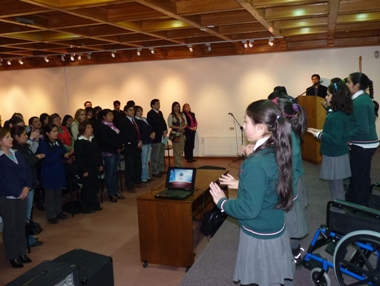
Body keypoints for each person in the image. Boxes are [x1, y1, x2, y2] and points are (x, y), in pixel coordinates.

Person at [209, 100, 295, 286]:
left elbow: (249, 209)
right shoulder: (278, 148)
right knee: (274, 276)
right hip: (275, 223)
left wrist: (222, 202)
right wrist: (242, 184)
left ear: (260, 127)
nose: (244, 125)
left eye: (246, 121)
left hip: (260, 231)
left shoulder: (255, 163)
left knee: (264, 279)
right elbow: (269, 185)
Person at [307, 81, 352, 201]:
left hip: (335, 155)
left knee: (337, 188)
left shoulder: (337, 116)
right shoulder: (336, 114)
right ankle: (338, 212)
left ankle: (339, 213)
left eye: (328, 95)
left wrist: (318, 134)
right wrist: (318, 130)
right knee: (334, 185)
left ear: (336, 97)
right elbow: (333, 131)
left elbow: (334, 139)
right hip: (333, 154)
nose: (326, 97)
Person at [0, 127, 33, 268]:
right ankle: (13, 255)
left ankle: (21, 251)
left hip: (22, 194)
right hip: (8, 197)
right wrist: (17, 192)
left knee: (20, 225)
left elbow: (27, 171)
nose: (11, 139)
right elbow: (2, 180)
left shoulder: (17, 154)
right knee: (10, 227)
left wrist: (26, 186)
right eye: (7, 137)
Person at [345, 72, 379, 206]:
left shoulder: (360, 102)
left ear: (356, 85)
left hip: (363, 146)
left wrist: (347, 137)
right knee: (356, 176)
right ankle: (353, 202)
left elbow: (363, 128)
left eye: (348, 82)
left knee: (361, 179)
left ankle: (361, 207)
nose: (347, 85)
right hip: (361, 144)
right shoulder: (361, 99)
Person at [10, 126, 45, 247]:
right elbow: (29, 162)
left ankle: (29, 238)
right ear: (17, 137)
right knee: (25, 214)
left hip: (30, 182)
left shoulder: (23, 147)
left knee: (28, 214)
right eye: (24, 134)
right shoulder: (17, 150)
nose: (26, 136)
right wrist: (37, 158)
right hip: (25, 185)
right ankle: (25, 240)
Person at [37, 123, 71, 224]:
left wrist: (67, 154)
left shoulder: (58, 142)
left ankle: (58, 211)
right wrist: (60, 153)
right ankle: (51, 215)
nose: (56, 133)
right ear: (47, 133)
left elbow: (64, 153)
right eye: (54, 131)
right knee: (49, 195)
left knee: (57, 192)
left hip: (58, 170)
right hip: (48, 172)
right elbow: (47, 158)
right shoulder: (43, 144)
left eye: (57, 131)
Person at [74, 121, 103, 213]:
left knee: (94, 186)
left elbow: (98, 153)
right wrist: (84, 170)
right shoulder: (79, 142)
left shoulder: (93, 140)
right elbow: (80, 158)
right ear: (83, 129)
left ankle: (95, 204)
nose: (91, 129)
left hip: (94, 167)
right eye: (89, 127)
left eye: (91, 127)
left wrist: (100, 164)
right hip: (86, 168)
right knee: (87, 187)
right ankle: (87, 206)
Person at [96, 109, 124, 202]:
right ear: (104, 117)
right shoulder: (102, 127)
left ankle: (116, 191)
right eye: (109, 115)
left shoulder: (113, 125)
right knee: (109, 173)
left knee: (115, 172)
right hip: (108, 152)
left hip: (116, 151)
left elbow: (118, 137)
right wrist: (117, 146)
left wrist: (120, 146)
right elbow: (105, 141)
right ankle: (111, 193)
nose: (112, 116)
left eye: (112, 115)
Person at [119, 103, 144, 193]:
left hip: (137, 146)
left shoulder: (135, 120)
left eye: (133, 110)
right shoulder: (123, 121)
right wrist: (136, 142)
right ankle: (129, 185)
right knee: (129, 166)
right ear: (125, 112)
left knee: (137, 165)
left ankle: (137, 181)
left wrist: (140, 141)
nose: (132, 112)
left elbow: (138, 132)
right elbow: (126, 135)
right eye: (130, 110)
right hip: (130, 147)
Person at [147, 99, 168, 177]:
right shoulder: (150, 114)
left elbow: (163, 122)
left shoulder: (160, 113)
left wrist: (165, 130)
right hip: (156, 137)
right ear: (152, 105)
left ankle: (161, 168)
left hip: (162, 136)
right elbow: (152, 125)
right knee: (155, 154)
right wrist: (160, 131)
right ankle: (155, 171)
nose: (159, 105)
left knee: (161, 154)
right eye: (157, 104)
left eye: (159, 104)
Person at [134, 105, 155, 183]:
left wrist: (153, 133)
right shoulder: (136, 121)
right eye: (138, 111)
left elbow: (151, 128)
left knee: (147, 159)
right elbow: (140, 132)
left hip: (149, 141)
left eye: (141, 111)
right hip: (144, 141)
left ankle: (147, 175)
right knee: (143, 161)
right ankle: (143, 177)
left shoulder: (144, 119)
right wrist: (149, 135)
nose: (141, 112)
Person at [168, 102, 187, 167]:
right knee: (176, 151)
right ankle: (177, 166)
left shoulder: (182, 114)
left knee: (181, 151)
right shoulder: (171, 115)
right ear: (173, 107)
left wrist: (182, 128)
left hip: (182, 134)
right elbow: (170, 125)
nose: (177, 108)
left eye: (178, 106)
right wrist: (178, 127)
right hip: (175, 135)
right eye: (175, 106)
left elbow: (186, 123)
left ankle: (181, 165)